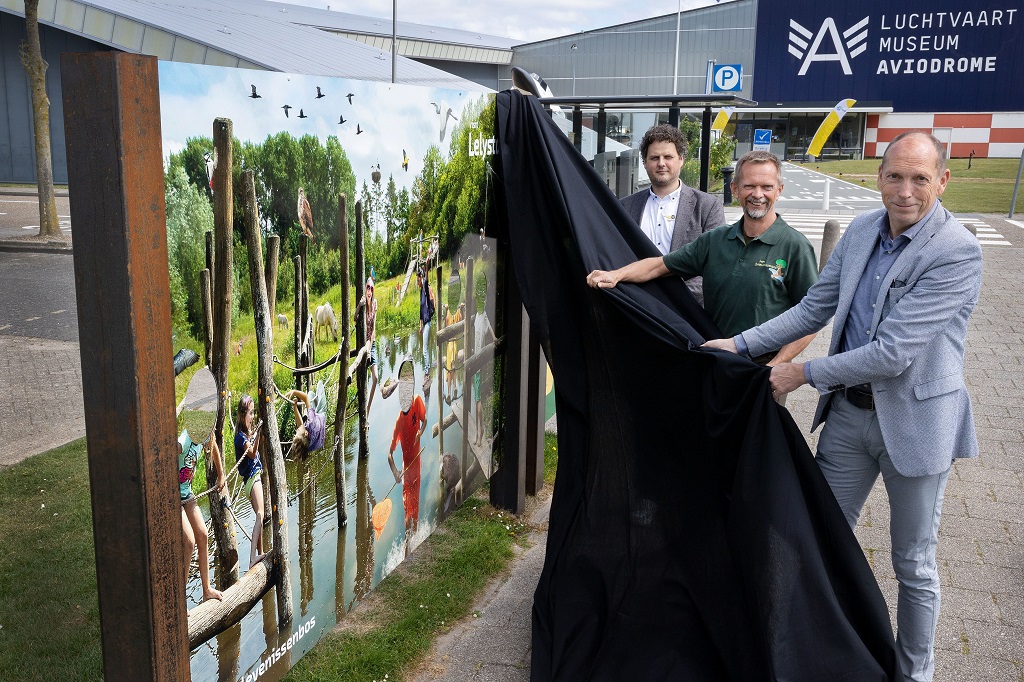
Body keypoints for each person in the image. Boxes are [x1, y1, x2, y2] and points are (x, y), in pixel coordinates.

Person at [704, 131, 983, 682]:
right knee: (816, 540)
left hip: (916, 426)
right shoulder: (859, 231)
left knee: (914, 564)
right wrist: (739, 345)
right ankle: (819, 655)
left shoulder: (957, 252)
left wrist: (800, 371)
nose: (905, 190)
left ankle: (914, 673)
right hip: (849, 420)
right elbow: (812, 308)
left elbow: (893, 353)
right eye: (895, 176)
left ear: (942, 181)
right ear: (878, 177)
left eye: (920, 178)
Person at [588, 150, 818, 369]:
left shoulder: (795, 247)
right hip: (717, 358)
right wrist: (615, 275)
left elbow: (812, 318)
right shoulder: (715, 241)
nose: (757, 194)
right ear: (735, 189)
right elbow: (659, 265)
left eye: (767, 187)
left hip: (763, 365)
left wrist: (776, 366)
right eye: (749, 186)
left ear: (779, 190)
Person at [620, 123, 725, 305]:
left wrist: (674, 297)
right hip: (637, 307)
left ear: (681, 159)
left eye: (668, 156)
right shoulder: (625, 207)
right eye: (654, 158)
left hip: (690, 311)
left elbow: (715, 265)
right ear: (645, 162)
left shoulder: (708, 206)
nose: (661, 163)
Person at [178, 430, 225, 602]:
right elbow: (172, 448)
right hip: (174, 496)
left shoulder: (204, 435)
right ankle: (180, 599)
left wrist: (221, 475)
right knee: (189, 542)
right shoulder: (187, 436)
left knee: (203, 534)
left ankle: (206, 590)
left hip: (187, 493)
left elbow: (213, 448)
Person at [387, 359, 428, 542]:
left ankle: (416, 540)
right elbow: (389, 455)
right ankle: (407, 545)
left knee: (415, 509)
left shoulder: (418, 401)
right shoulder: (398, 422)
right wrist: (396, 471)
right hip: (406, 470)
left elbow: (424, 421)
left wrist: (421, 431)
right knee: (406, 512)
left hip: (416, 465)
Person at [233, 394, 266, 569]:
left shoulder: (245, 434)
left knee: (259, 516)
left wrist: (255, 431)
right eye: (251, 413)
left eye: (254, 413)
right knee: (261, 514)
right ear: (242, 414)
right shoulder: (241, 437)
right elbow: (252, 453)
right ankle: (253, 557)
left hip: (251, 480)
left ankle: (260, 553)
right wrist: (260, 430)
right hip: (253, 478)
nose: (253, 417)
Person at [283, 388, 326, 461]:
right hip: (321, 417)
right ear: (306, 433)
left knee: (305, 422)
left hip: (318, 437)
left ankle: (312, 407)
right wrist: (294, 392)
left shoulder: (306, 445)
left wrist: (295, 406)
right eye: (298, 432)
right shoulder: (312, 422)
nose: (296, 430)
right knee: (311, 393)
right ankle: (316, 398)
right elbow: (306, 398)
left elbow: (300, 425)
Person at [358, 276, 379, 411]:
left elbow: (374, 328)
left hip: (371, 343)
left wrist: (370, 348)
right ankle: (362, 407)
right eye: (368, 287)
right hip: (362, 344)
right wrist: (359, 306)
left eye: (372, 288)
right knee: (362, 379)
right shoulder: (363, 303)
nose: (370, 290)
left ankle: (368, 409)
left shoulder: (375, 303)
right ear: (365, 289)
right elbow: (355, 318)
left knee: (376, 378)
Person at [417, 267, 435, 381]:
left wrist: (427, 266)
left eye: (417, 280)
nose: (417, 282)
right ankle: (427, 369)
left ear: (421, 278)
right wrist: (420, 326)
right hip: (424, 324)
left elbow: (426, 280)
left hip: (428, 322)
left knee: (424, 349)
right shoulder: (420, 293)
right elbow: (420, 310)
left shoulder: (425, 288)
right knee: (425, 348)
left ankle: (427, 371)